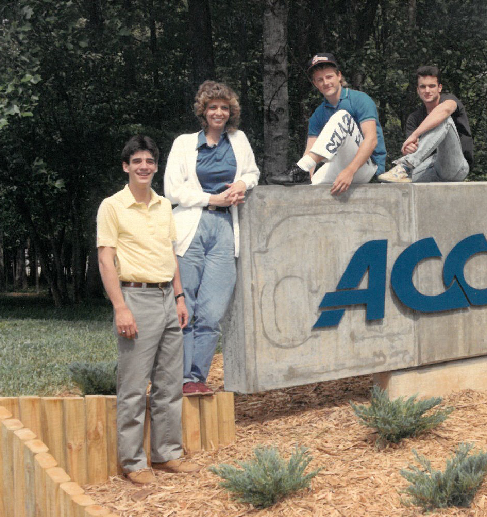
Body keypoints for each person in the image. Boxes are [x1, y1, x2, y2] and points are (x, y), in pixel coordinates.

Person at [97, 135, 202, 485]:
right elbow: (106, 260)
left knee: (169, 385)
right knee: (132, 386)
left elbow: (169, 253)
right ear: (126, 166)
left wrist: (180, 297)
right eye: (136, 161)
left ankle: (167, 454)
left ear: (156, 166)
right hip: (135, 299)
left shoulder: (162, 205)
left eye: (149, 161)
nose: (144, 167)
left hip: (166, 300)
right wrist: (120, 307)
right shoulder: (112, 206)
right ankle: (133, 462)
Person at [165, 81, 260, 395]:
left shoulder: (238, 139)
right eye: (212, 107)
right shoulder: (184, 143)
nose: (219, 112)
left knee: (212, 310)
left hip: (224, 230)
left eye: (224, 107)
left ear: (230, 111)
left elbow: (252, 172)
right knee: (186, 307)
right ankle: (180, 378)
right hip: (191, 228)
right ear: (203, 112)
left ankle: (197, 378)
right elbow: (172, 191)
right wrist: (211, 199)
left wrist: (242, 185)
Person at [271, 53, 387, 194]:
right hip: (338, 163)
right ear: (315, 84)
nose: (325, 83)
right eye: (320, 80)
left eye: (329, 77)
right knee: (309, 187)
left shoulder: (360, 99)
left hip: (368, 166)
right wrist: (307, 177)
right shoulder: (318, 114)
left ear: (339, 76)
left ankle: (301, 168)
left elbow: (372, 140)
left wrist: (350, 171)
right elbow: (310, 151)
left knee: (342, 116)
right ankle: (301, 172)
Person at [378, 66, 472, 183]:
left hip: (454, 166)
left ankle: (405, 165)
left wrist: (415, 134)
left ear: (439, 88)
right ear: (418, 90)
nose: (427, 90)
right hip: (428, 169)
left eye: (432, 86)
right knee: (389, 183)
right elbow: (412, 148)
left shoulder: (449, 100)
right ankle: (404, 169)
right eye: (423, 86)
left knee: (443, 118)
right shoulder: (413, 118)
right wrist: (408, 149)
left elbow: (445, 110)